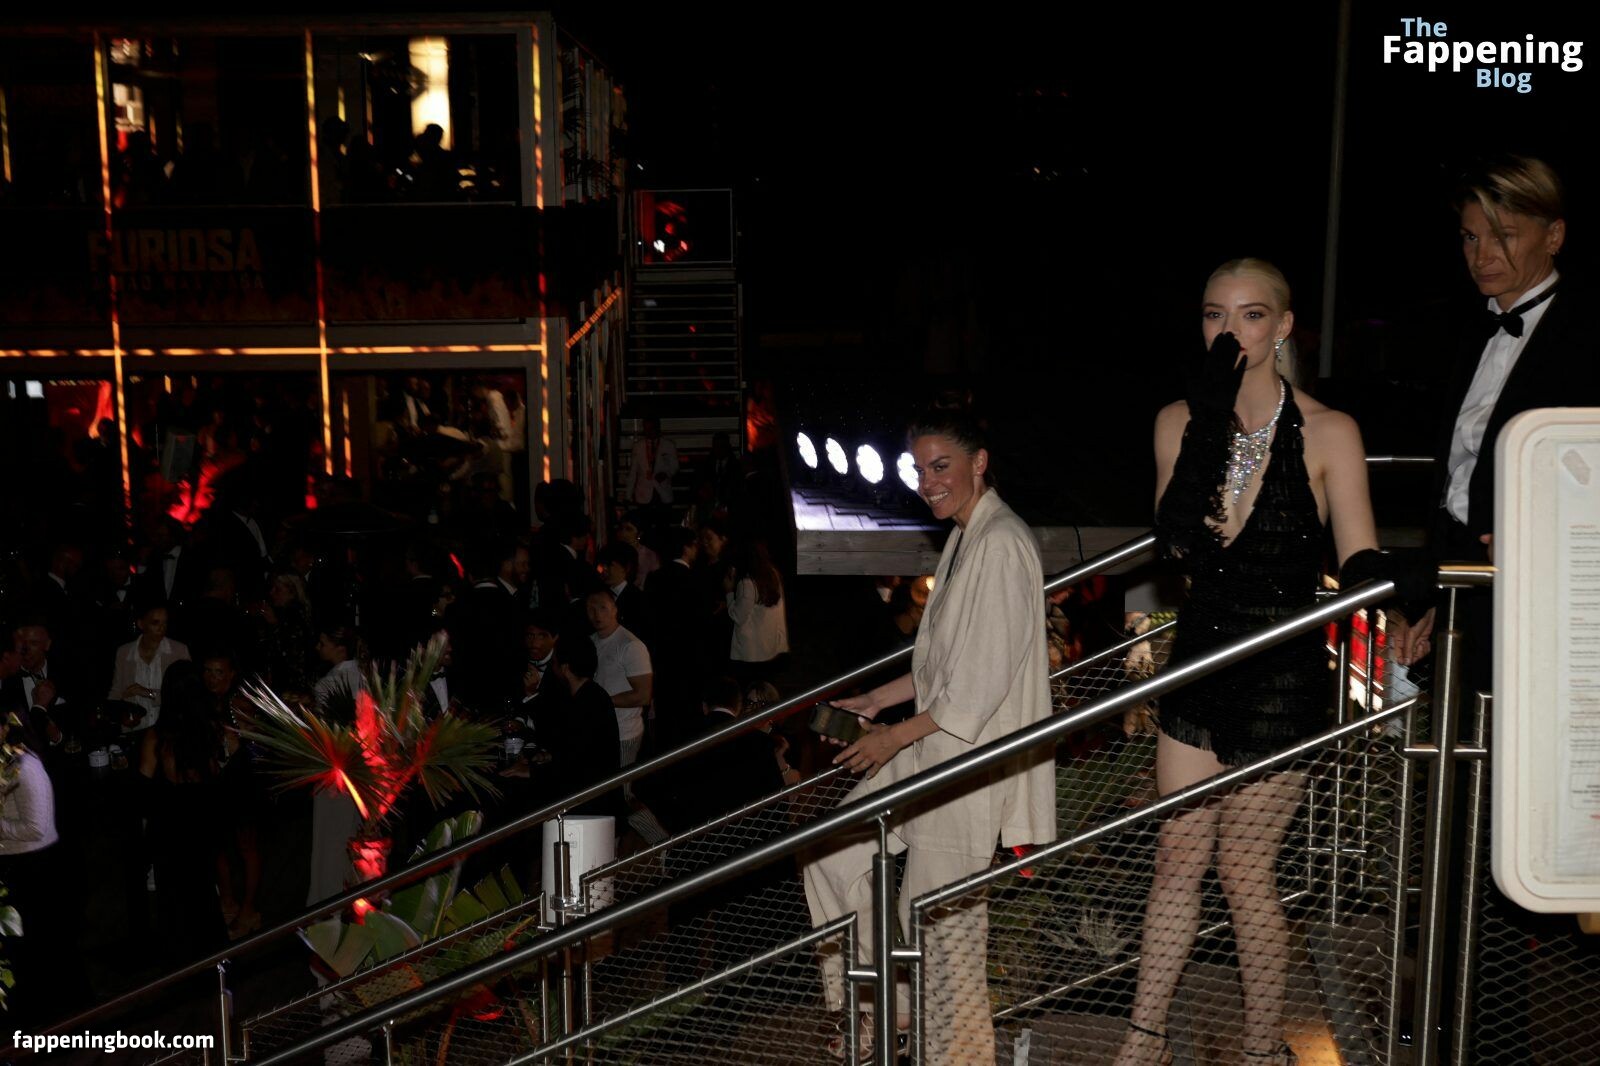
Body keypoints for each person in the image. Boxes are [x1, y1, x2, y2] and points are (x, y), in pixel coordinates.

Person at [1114, 259, 1380, 1066]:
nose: (1230, 331)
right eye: (1214, 315)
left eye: (1251, 314)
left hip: (1282, 671)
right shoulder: (1177, 420)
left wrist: (1406, 601)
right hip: (1201, 658)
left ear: (1284, 326)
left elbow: (1360, 558)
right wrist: (1207, 415)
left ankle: (1263, 1048)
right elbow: (1176, 543)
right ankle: (1143, 1041)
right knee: (1176, 858)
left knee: (1245, 871)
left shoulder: (1331, 431)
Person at [803, 406, 1055, 1064]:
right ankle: (884, 1007)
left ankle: (954, 1054)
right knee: (830, 855)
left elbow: (976, 688)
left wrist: (889, 738)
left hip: (968, 765)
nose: (927, 482)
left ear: (979, 462)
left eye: (941, 466)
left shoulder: (1000, 542)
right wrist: (877, 699)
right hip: (932, 748)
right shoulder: (968, 536)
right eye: (919, 469)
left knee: (944, 935)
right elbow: (941, 664)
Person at [1391, 155, 1600, 684]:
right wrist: (1432, 593)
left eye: (1503, 236)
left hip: (1549, 586)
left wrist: (1545, 533)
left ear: (1554, 236)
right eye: (1470, 237)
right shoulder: (1469, 330)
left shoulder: (1588, 334)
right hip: (1466, 580)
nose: (1481, 256)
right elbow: (1457, 479)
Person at [586, 589, 652, 769]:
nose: (597, 614)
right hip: (596, 728)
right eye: (591, 608)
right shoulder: (590, 641)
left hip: (623, 732)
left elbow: (643, 695)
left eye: (603, 607)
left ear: (614, 609)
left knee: (620, 781)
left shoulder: (631, 645)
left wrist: (602, 701)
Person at [107, 603, 190, 733]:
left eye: (165, 623)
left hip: (168, 730)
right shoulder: (124, 652)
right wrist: (119, 715)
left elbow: (187, 693)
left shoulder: (178, 651)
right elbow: (116, 691)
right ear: (141, 624)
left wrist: (148, 693)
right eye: (155, 623)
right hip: (134, 728)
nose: (162, 628)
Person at [726, 540, 789, 685]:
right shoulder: (773, 574)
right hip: (770, 647)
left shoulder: (748, 583)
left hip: (751, 652)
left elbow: (738, 616)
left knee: (750, 688)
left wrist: (729, 592)